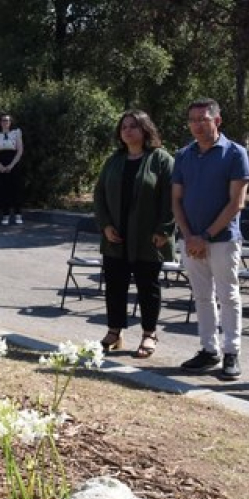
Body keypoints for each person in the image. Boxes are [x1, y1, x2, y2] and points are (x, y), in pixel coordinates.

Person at [172, 98, 249, 380]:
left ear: (217, 121)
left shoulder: (235, 153)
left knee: (227, 295)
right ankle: (209, 350)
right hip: (191, 239)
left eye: (202, 119)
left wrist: (205, 236)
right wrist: (189, 235)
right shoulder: (183, 155)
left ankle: (231, 352)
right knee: (202, 296)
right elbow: (176, 200)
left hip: (223, 239)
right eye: (192, 120)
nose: (196, 125)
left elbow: (236, 203)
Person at [93, 110, 175, 358]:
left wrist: (165, 230)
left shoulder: (161, 159)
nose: (127, 131)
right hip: (115, 236)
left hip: (148, 237)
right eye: (124, 127)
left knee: (147, 287)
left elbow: (171, 198)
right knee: (115, 286)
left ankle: (149, 334)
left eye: (133, 126)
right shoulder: (114, 160)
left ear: (145, 130)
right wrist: (105, 225)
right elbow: (99, 196)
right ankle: (114, 332)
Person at [0, 114, 25, 225]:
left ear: (10, 122)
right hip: (1, 161)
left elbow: (19, 150)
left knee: (16, 188)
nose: (5, 122)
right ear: (0, 122)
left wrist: (12, 165)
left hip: (13, 161)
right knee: (3, 189)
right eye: (3, 120)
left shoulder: (16, 133)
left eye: (7, 120)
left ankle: (18, 214)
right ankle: (5, 214)